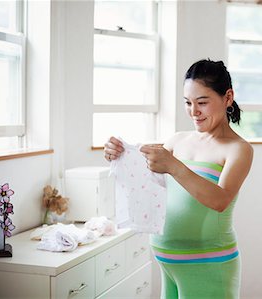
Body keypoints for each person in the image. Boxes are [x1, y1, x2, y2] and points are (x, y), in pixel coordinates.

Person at [104, 59, 253, 299]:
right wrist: (118, 153)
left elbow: (220, 200)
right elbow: (147, 174)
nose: (194, 111)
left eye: (202, 103)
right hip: (168, 264)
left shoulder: (238, 149)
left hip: (209, 265)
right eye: (188, 103)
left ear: (227, 97)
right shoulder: (177, 140)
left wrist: (174, 165)